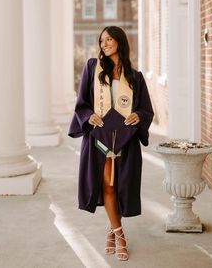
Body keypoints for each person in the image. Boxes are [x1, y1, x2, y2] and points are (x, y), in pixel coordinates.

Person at [68, 26, 154, 261]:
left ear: (120, 42)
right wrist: (88, 117)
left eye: (109, 39)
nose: (104, 44)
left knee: (120, 188)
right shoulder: (92, 68)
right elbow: (82, 102)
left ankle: (111, 230)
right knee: (107, 186)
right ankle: (120, 234)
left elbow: (145, 109)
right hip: (99, 139)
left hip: (125, 140)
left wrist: (139, 116)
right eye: (101, 40)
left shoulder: (134, 77)